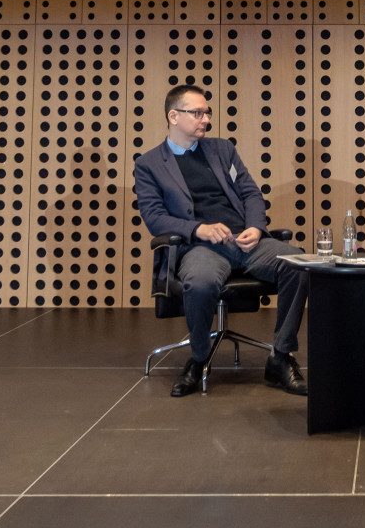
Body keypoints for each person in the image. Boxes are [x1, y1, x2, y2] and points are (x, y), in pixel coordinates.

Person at [132, 84, 309, 398]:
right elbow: (155, 218)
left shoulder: (222, 150)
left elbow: (251, 193)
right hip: (200, 246)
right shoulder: (149, 164)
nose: (206, 119)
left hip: (244, 240)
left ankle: (281, 357)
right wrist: (198, 229)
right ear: (173, 116)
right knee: (200, 283)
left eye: (207, 112)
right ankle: (199, 358)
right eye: (197, 113)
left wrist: (255, 227)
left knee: (299, 264)